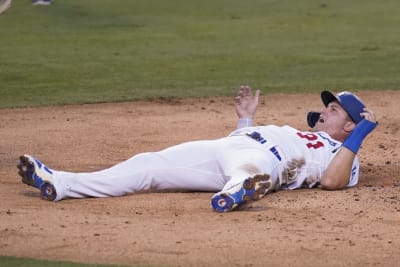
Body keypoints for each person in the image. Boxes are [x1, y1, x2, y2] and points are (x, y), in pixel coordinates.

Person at [17, 86, 377, 212]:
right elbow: (245, 142)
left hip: (267, 162)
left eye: (334, 110)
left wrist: (360, 135)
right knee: (148, 165)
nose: (324, 111)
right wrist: (245, 120)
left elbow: (332, 182)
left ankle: (238, 191)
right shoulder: (299, 132)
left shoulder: (344, 157)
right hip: (227, 146)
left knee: (252, 170)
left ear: (350, 125)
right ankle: (61, 183)